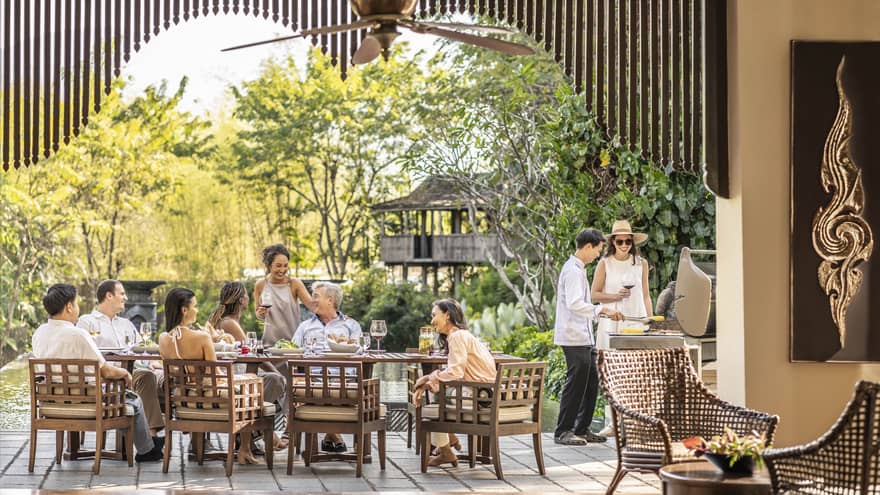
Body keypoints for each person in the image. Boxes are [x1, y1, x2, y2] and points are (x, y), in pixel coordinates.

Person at [32, 284, 164, 462]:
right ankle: (147, 450)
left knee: (125, 399)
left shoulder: (39, 333)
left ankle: (148, 444)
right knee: (133, 400)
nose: (78, 307)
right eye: (76, 303)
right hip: (88, 401)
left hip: (51, 401)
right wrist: (125, 374)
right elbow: (106, 371)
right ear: (69, 307)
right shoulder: (78, 334)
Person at [157, 287, 263, 465]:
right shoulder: (202, 337)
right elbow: (216, 374)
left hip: (183, 399)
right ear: (184, 310)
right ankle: (244, 449)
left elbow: (175, 370)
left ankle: (235, 448)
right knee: (251, 385)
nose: (197, 310)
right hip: (210, 395)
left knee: (246, 385)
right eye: (195, 306)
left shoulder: (163, 338)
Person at [553, 229, 623, 446]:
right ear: (587, 246)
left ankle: (582, 429)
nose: (597, 255)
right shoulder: (573, 271)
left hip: (583, 337)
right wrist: (601, 310)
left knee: (591, 381)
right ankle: (563, 431)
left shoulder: (579, 269)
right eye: (598, 249)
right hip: (572, 337)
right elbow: (574, 303)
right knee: (575, 384)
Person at [412, 299, 496, 467]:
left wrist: (428, 379)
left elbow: (455, 372)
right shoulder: (464, 335)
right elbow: (457, 374)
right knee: (437, 393)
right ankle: (448, 441)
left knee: (431, 406)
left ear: (447, 315)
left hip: (477, 397)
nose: (431, 320)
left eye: (434, 315)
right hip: (484, 395)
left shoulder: (457, 337)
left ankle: (446, 451)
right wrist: (430, 380)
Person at [206, 281, 288, 451]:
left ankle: (253, 435)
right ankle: (250, 433)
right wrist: (277, 374)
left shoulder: (227, 321)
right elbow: (251, 354)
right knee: (276, 381)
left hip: (233, 378)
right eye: (246, 295)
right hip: (235, 380)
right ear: (242, 300)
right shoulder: (229, 323)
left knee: (274, 381)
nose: (249, 298)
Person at [77, 279, 165, 437]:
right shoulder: (87, 322)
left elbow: (142, 347)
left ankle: (152, 436)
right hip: (105, 377)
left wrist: (153, 362)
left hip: (130, 374)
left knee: (147, 375)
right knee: (145, 377)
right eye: (122, 294)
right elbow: (82, 352)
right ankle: (148, 441)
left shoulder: (126, 324)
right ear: (109, 295)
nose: (125, 298)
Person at [291, 281, 362, 453]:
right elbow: (292, 352)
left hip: (344, 380)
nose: (311, 300)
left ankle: (331, 435)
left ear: (330, 300)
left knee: (334, 386)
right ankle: (334, 435)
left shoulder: (351, 325)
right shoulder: (305, 326)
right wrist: (297, 376)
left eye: (316, 296)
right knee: (318, 386)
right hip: (311, 381)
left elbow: (361, 352)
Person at [592, 219, 653, 348]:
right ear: (613, 242)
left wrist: (650, 321)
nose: (624, 245)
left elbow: (646, 296)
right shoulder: (605, 264)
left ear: (632, 242)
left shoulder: (641, 263)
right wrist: (616, 296)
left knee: (637, 364)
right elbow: (594, 295)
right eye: (620, 241)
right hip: (612, 322)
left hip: (636, 320)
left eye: (628, 241)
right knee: (612, 364)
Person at [254, 244, 315, 347]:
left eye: (285, 265)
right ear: (269, 265)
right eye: (278, 265)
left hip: (293, 344)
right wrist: (260, 313)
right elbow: (258, 313)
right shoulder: (260, 284)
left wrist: (336, 315)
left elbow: (313, 306)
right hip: (269, 344)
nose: (282, 270)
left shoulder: (294, 283)